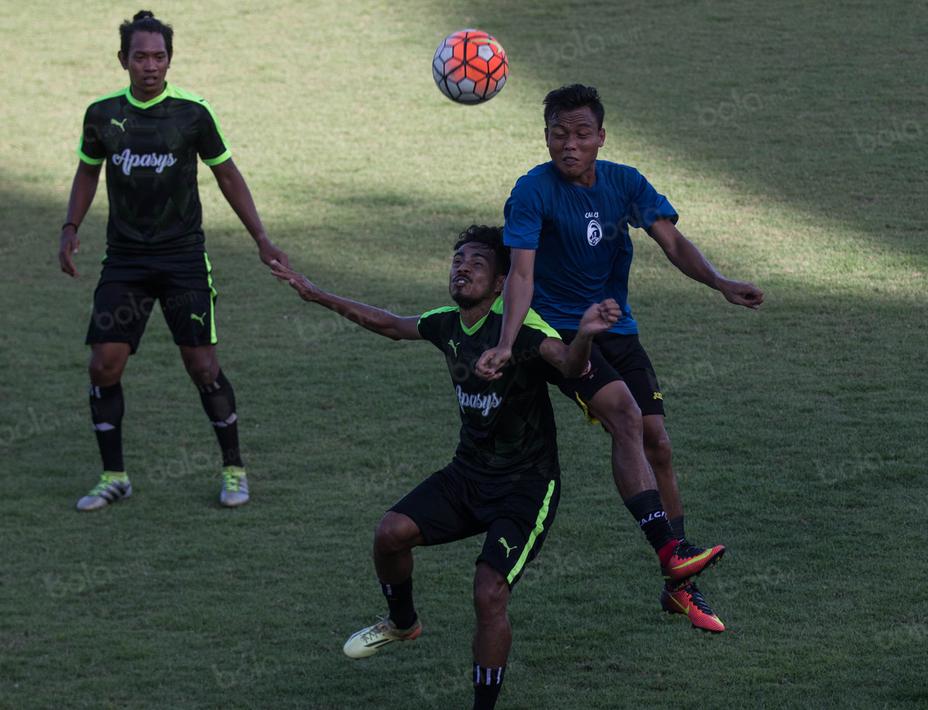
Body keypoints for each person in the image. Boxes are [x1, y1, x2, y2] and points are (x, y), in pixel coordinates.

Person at [272, 225, 620, 710]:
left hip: (525, 486)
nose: (463, 268)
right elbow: (390, 324)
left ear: (502, 283)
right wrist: (316, 294)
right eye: (458, 261)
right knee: (390, 533)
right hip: (467, 475)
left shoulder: (522, 330)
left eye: (478, 262)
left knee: (488, 591)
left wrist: (583, 334)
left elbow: (567, 365)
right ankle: (402, 623)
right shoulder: (446, 323)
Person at [476, 84, 765, 633]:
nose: (570, 144)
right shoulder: (531, 192)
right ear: (546, 137)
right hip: (562, 334)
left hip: (616, 326)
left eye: (582, 133)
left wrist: (721, 283)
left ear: (601, 138)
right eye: (559, 133)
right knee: (625, 417)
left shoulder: (624, 183)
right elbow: (520, 273)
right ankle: (671, 553)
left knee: (657, 439)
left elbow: (672, 243)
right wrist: (509, 343)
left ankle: (679, 587)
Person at [60, 10, 288, 511]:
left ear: (170, 59)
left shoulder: (192, 114)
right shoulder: (101, 116)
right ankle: (114, 476)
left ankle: (234, 470)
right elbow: (86, 172)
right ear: (123, 60)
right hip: (125, 262)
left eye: (158, 56)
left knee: (202, 366)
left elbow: (227, 174)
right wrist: (70, 227)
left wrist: (261, 238)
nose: (150, 65)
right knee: (104, 365)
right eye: (140, 56)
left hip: (183, 259)